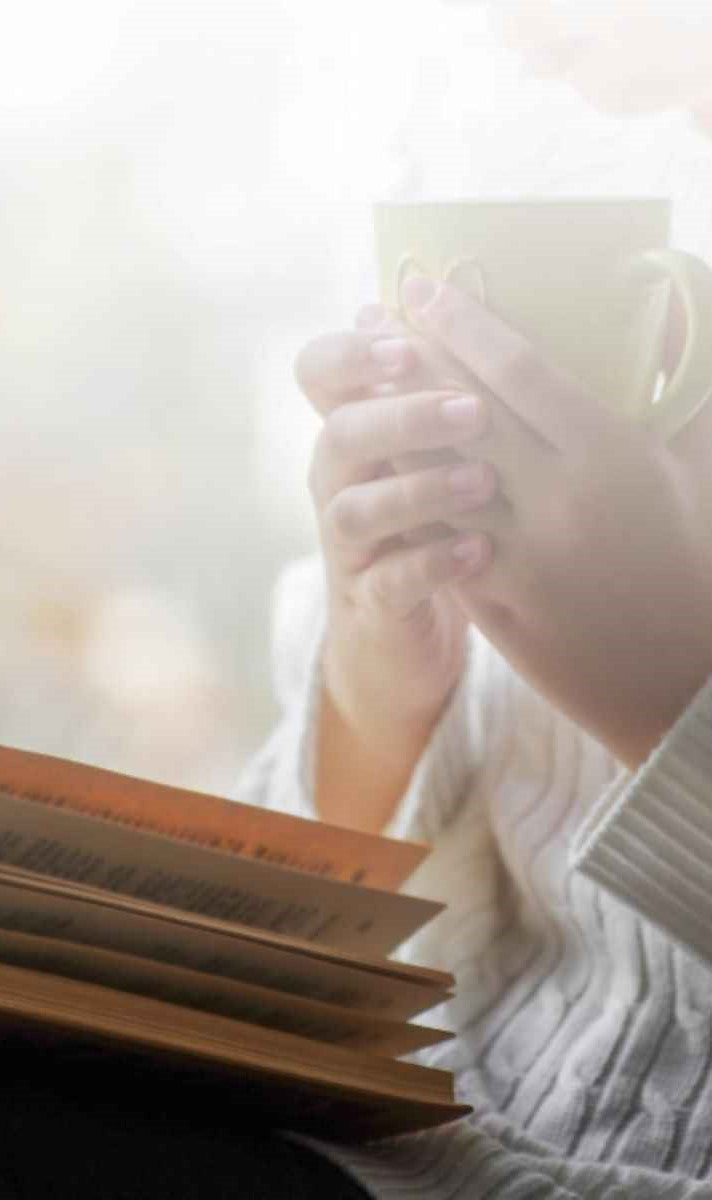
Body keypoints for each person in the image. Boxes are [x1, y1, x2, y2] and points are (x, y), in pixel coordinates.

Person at [237, 2, 712, 1196]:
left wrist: (665, 700)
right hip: (399, 1127)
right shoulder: (508, 138)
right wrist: (373, 683)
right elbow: (302, 906)